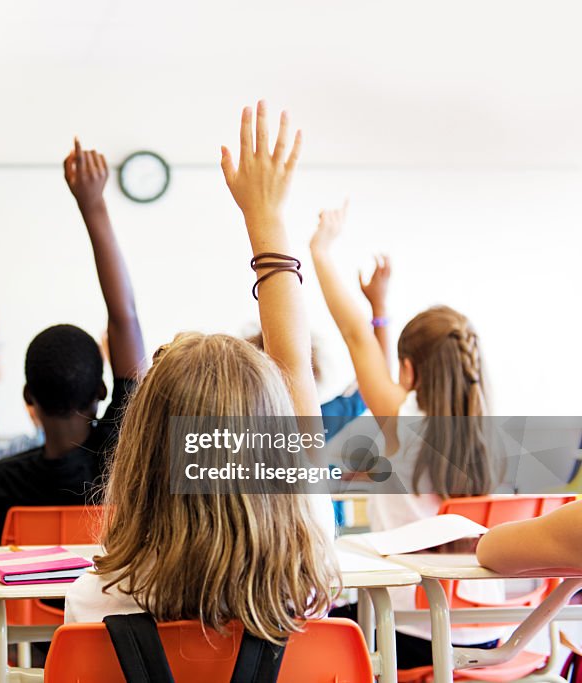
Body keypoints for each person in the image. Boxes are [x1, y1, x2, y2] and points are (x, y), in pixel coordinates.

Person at [65, 102, 339, 641]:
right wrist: (267, 220)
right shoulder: (308, 577)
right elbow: (296, 375)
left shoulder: (97, 599)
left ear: (142, 448)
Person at [310, 200, 502, 667]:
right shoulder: (491, 437)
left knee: (316, 625)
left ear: (410, 369)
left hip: (414, 636)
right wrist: (381, 306)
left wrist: (321, 251)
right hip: (490, 636)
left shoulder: (404, 421)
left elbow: (356, 338)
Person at [0, 138, 147, 546]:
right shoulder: (120, 462)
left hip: (27, 614)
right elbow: (125, 317)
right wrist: (93, 206)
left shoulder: (4, 479)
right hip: (109, 612)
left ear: (27, 398)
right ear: (102, 391)